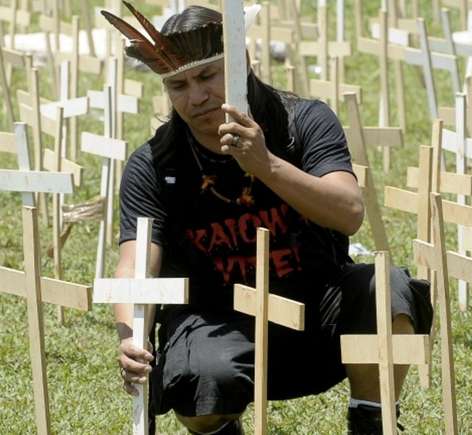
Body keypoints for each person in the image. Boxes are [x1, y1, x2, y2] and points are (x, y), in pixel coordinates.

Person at [103, 3, 433, 434]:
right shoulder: (153, 162)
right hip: (217, 322)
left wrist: (266, 165)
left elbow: (349, 213)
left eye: (207, 76)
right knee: (196, 375)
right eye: (178, 85)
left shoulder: (301, 121)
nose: (196, 97)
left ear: (242, 64)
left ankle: (370, 419)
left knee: (386, 291)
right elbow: (135, 262)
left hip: (316, 313)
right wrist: (131, 334)